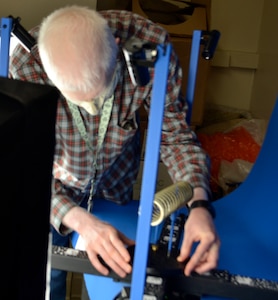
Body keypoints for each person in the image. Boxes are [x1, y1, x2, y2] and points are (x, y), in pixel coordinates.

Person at [9, 5, 220, 300]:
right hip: (51, 190)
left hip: (113, 187)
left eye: (100, 97)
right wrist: (80, 220)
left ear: (117, 49)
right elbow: (21, 168)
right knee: (47, 282)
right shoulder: (24, 65)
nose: (92, 111)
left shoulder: (148, 49)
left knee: (112, 278)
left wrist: (199, 204)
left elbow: (176, 137)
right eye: (80, 104)